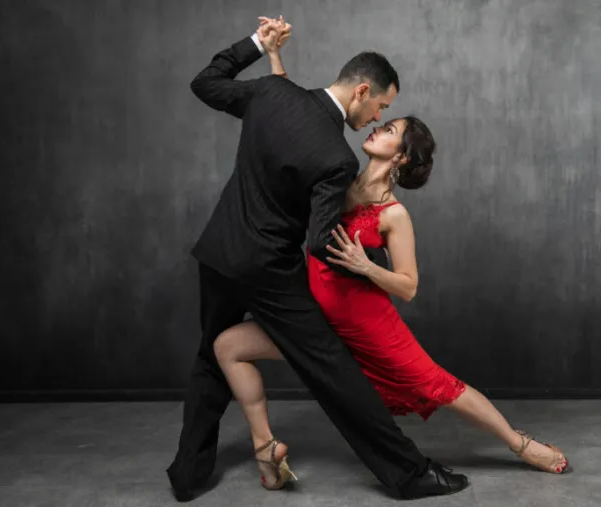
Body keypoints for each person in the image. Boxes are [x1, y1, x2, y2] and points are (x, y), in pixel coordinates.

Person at [212, 16, 570, 492]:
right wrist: (275, 58)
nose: (378, 123)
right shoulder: (337, 175)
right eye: (383, 114)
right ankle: (266, 450)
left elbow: (409, 286)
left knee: (439, 386)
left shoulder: (394, 215)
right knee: (228, 347)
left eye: (390, 127)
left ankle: (521, 444)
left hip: (368, 325)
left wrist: (365, 266)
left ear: (399, 156)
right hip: (315, 319)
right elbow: (294, 119)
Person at [166, 16, 469, 501]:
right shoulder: (337, 158)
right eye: (381, 107)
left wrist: (258, 43)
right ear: (362, 91)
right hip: (268, 270)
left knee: (209, 357)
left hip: (219, 252)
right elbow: (318, 241)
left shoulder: (271, 93)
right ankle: (408, 473)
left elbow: (206, 83)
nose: (376, 117)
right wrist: (364, 258)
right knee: (335, 372)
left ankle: (187, 476)